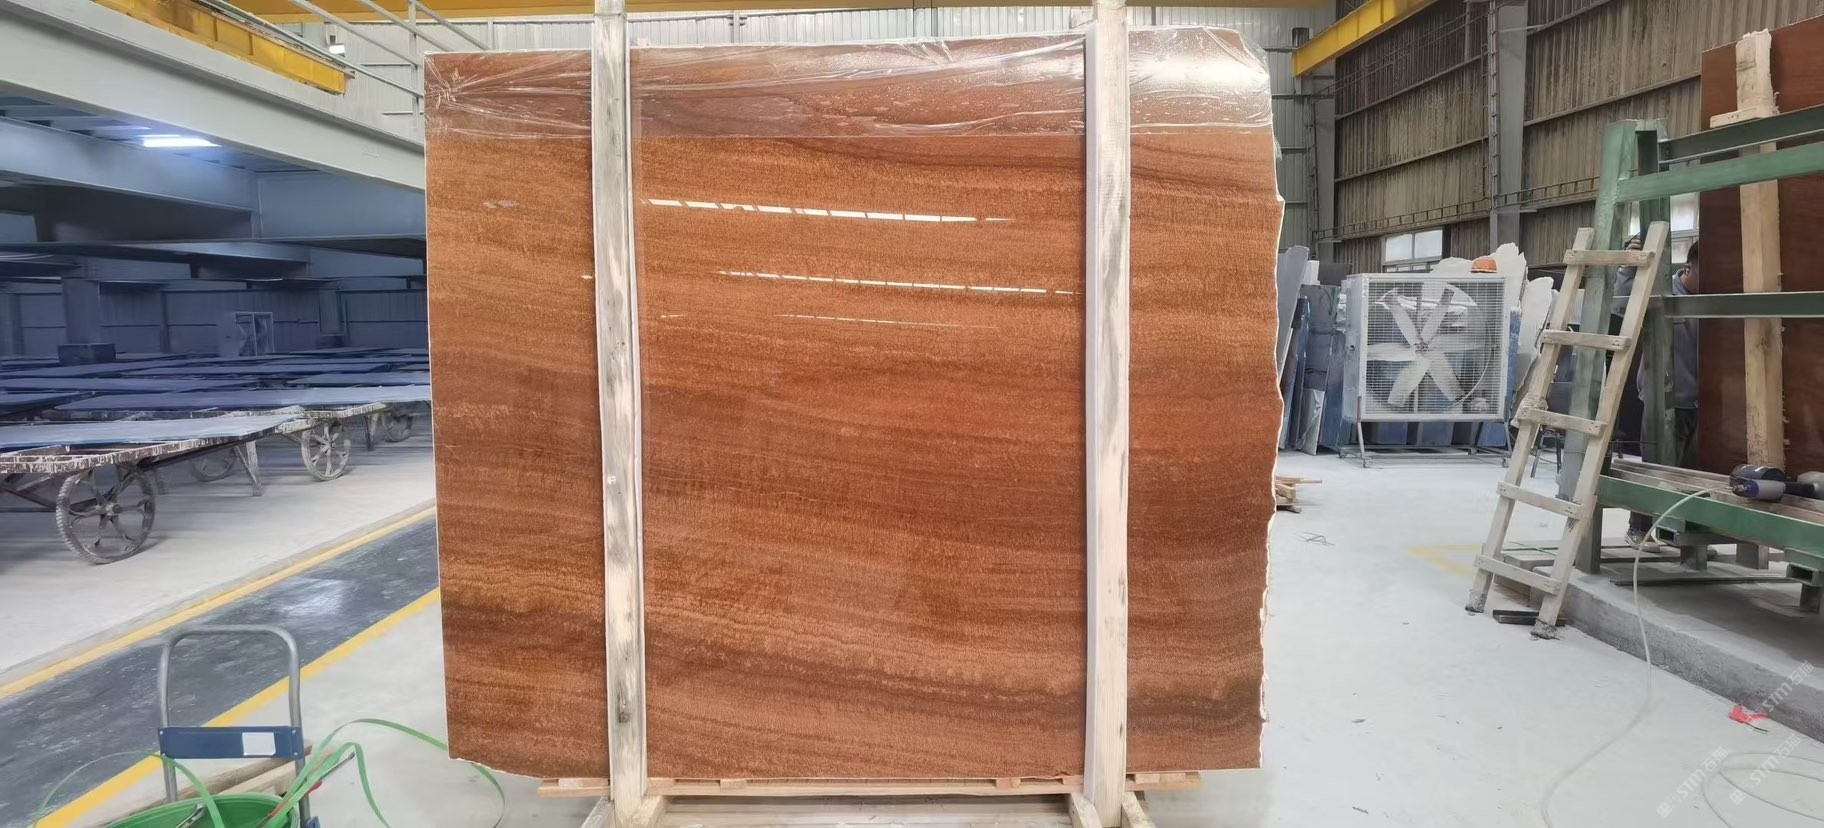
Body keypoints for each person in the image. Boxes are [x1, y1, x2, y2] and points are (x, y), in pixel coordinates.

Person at [1612, 237, 1700, 547]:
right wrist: (1628, 267)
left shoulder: (1714, 298)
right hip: (1662, 400)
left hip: (1702, 403)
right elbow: (1622, 307)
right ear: (1689, 267)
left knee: (1693, 476)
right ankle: (1639, 528)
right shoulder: (1664, 292)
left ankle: (1678, 532)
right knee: (1656, 470)